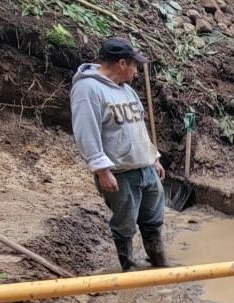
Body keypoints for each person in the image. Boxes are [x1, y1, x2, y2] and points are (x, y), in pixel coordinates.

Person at [70, 38, 168, 271]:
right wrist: (101, 169)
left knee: (153, 219)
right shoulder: (87, 89)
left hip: (145, 167)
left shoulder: (127, 91)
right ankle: (129, 267)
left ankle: (159, 262)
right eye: (134, 65)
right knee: (125, 224)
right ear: (122, 63)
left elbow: (138, 127)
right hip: (120, 172)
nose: (136, 71)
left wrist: (153, 156)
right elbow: (86, 131)